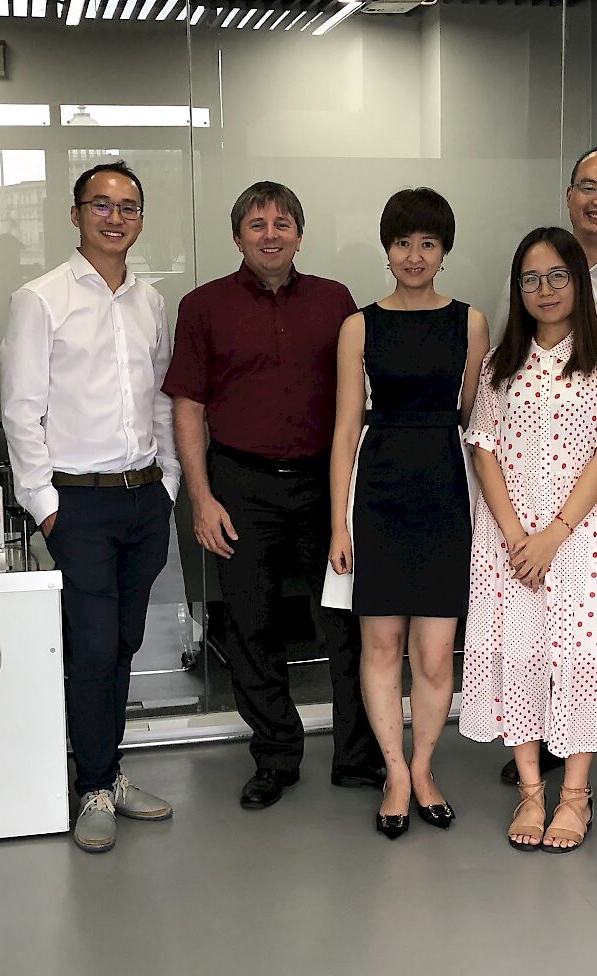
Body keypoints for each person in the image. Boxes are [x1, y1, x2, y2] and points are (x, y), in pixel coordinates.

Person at [162, 181, 381, 810]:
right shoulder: (203, 306)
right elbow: (188, 406)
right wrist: (201, 498)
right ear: (237, 237)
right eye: (256, 225)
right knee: (251, 626)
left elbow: (359, 393)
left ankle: (357, 755)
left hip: (323, 483)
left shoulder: (335, 301)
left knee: (343, 623)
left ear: (299, 235)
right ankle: (276, 756)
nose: (270, 234)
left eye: (282, 223)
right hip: (241, 485)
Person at [1, 161, 181, 853]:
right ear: (75, 214)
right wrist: (44, 504)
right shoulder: (40, 298)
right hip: (77, 504)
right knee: (94, 646)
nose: (115, 216)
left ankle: (108, 769)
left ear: (141, 219)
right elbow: (21, 410)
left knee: (125, 641)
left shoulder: (150, 301)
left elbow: (161, 398)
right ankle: (95, 785)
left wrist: (169, 480)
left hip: (144, 498)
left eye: (128, 206)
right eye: (100, 204)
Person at [493, 146, 597, 815]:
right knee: (536, 627)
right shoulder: (535, 283)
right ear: (569, 195)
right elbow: (497, 410)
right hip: (531, 496)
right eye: (588, 186)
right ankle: (549, 750)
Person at [461, 226, 597, 852]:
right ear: (518, 289)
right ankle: (532, 793)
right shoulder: (498, 365)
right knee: (521, 656)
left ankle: (576, 795)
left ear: (578, 283)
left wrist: (553, 536)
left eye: (557, 275)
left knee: (584, 657)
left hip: (582, 540)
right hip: (509, 541)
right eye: (531, 279)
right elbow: (483, 448)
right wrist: (517, 537)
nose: (545, 289)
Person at [324, 188, 489, 839]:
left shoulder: (471, 323)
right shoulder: (359, 326)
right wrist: (339, 523)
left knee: (436, 653)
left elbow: (477, 422)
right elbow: (344, 430)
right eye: (402, 242)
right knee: (381, 644)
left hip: (446, 491)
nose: (414, 255)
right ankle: (394, 771)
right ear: (386, 248)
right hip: (379, 491)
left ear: (444, 251)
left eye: (427, 243)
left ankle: (423, 768)